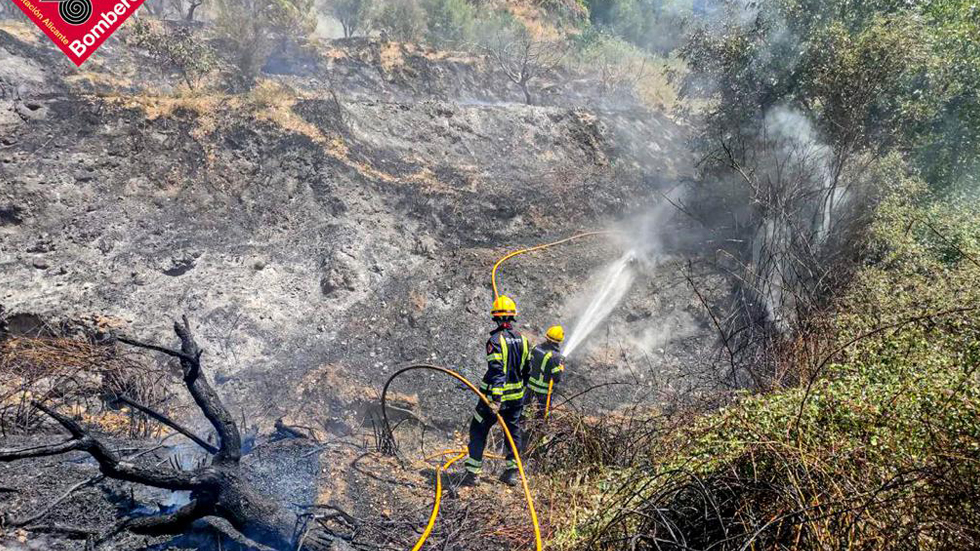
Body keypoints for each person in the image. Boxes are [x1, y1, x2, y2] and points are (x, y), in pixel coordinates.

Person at [461, 295, 530, 487]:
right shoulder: (524, 340)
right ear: (512, 317)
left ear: (496, 318)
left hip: (493, 400)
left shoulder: (495, 341)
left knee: (478, 430)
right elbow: (527, 371)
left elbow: (497, 371)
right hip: (516, 400)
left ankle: (473, 473)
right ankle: (511, 472)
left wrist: (496, 399)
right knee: (512, 433)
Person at [524, 325, 566, 420]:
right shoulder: (555, 357)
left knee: (524, 409)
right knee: (543, 415)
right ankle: (536, 430)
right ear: (559, 341)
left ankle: (521, 426)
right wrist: (560, 369)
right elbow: (557, 378)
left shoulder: (536, 348)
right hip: (543, 391)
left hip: (529, 386)